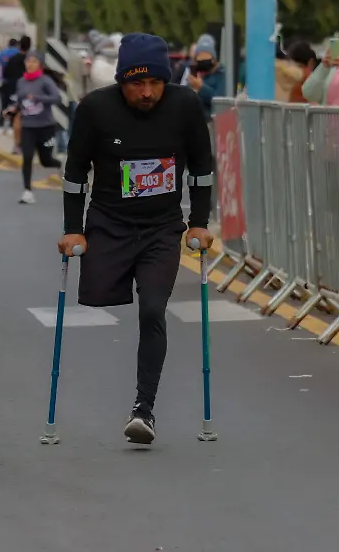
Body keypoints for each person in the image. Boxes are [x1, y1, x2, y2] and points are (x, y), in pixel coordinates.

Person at [58, 32, 215, 445]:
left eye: (155, 83)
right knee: (96, 298)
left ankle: (143, 410)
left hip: (162, 227)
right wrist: (73, 228)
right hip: (110, 223)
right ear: (121, 80)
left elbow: (201, 168)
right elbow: (75, 174)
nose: (147, 93)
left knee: (152, 309)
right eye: (136, 84)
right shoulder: (95, 109)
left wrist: (198, 221)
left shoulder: (185, 106)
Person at [11, 52, 63, 204]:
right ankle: (27, 191)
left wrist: (39, 98)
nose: (30, 64)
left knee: (46, 160)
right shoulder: (21, 82)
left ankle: (62, 164)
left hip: (46, 126)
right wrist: (12, 109)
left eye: (34, 62)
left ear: (39, 64)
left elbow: (57, 98)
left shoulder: (45, 81)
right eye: (28, 62)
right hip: (28, 126)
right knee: (27, 157)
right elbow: (19, 100)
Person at [186, 34, 225, 118]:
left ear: (213, 58)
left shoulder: (221, 75)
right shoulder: (195, 74)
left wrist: (201, 88)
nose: (203, 59)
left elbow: (219, 101)